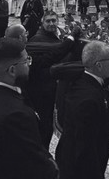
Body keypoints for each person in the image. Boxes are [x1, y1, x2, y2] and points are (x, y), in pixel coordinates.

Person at [0, 38, 58, 179]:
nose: (29, 65)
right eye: (26, 61)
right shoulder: (17, 114)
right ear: (12, 70)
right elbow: (37, 166)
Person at [56, 40, 109, 179]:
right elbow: (85, 147)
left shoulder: (84, 82)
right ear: (99, 65)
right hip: (80, 169)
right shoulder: (88, 100)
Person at [27, 10, 80, 147]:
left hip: (55, 90)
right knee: (42, 127)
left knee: (49, 125)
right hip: (40, 91)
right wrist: (70, 40)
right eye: (48, 21)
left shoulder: (59, 36)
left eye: (54, 20)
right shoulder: (36, 40)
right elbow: (52, 56)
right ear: (42, 23)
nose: (51, 24)